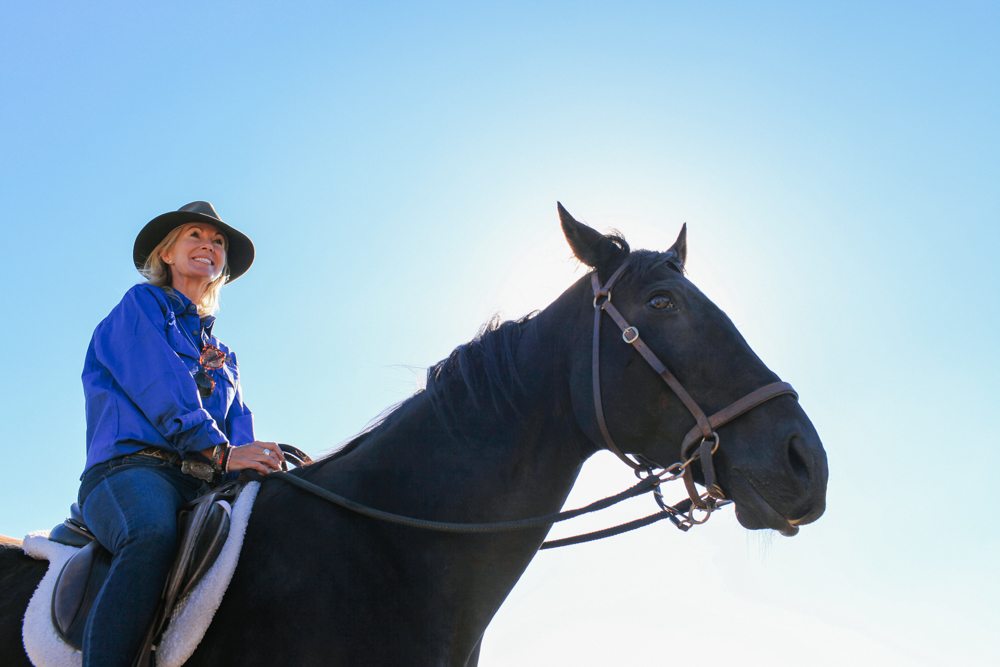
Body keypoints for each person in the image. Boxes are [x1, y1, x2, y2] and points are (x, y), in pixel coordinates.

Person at [77, 201, 283, 666]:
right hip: (130, 472)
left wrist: (266, 468)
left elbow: (240, 430)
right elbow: (160, 387)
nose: (208, 247)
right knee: (150, 535)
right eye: (196, 236)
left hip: (204, 478)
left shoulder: (223, 354)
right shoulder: (139, 306)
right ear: (167, 253)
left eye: (218, 243)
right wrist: (220, 451)